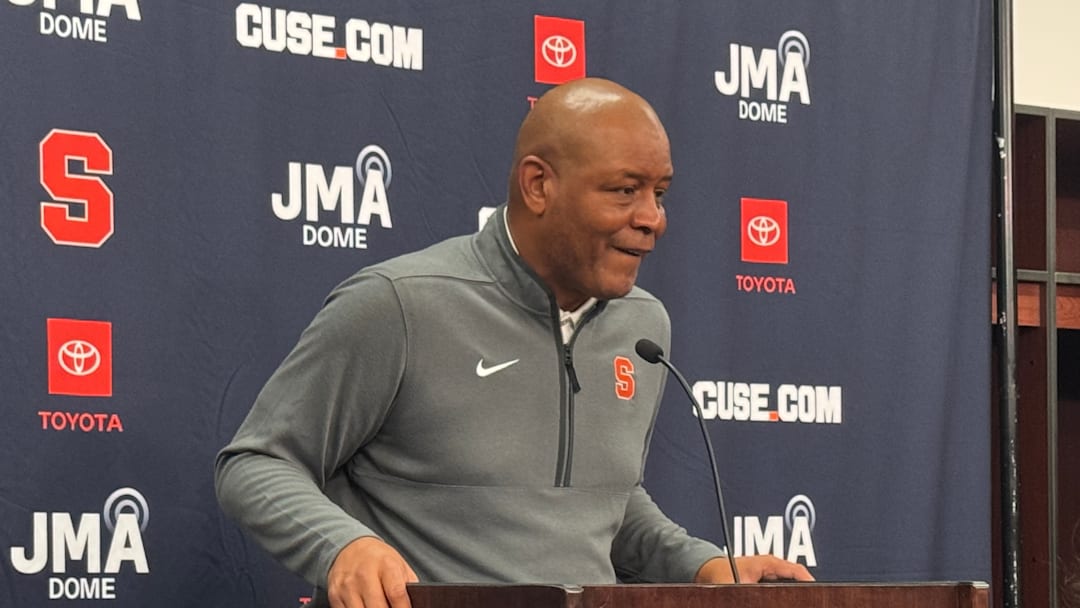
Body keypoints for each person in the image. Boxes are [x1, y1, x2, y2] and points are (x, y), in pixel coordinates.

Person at [215, 77, 813, 608]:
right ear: (537, 186)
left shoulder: (644, 327)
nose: (652, 217)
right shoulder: (398, 303)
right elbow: (259, 462)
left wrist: (703, 566)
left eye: (660, 192)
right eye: (624, 190)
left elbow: (604, 502)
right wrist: (343, 546)